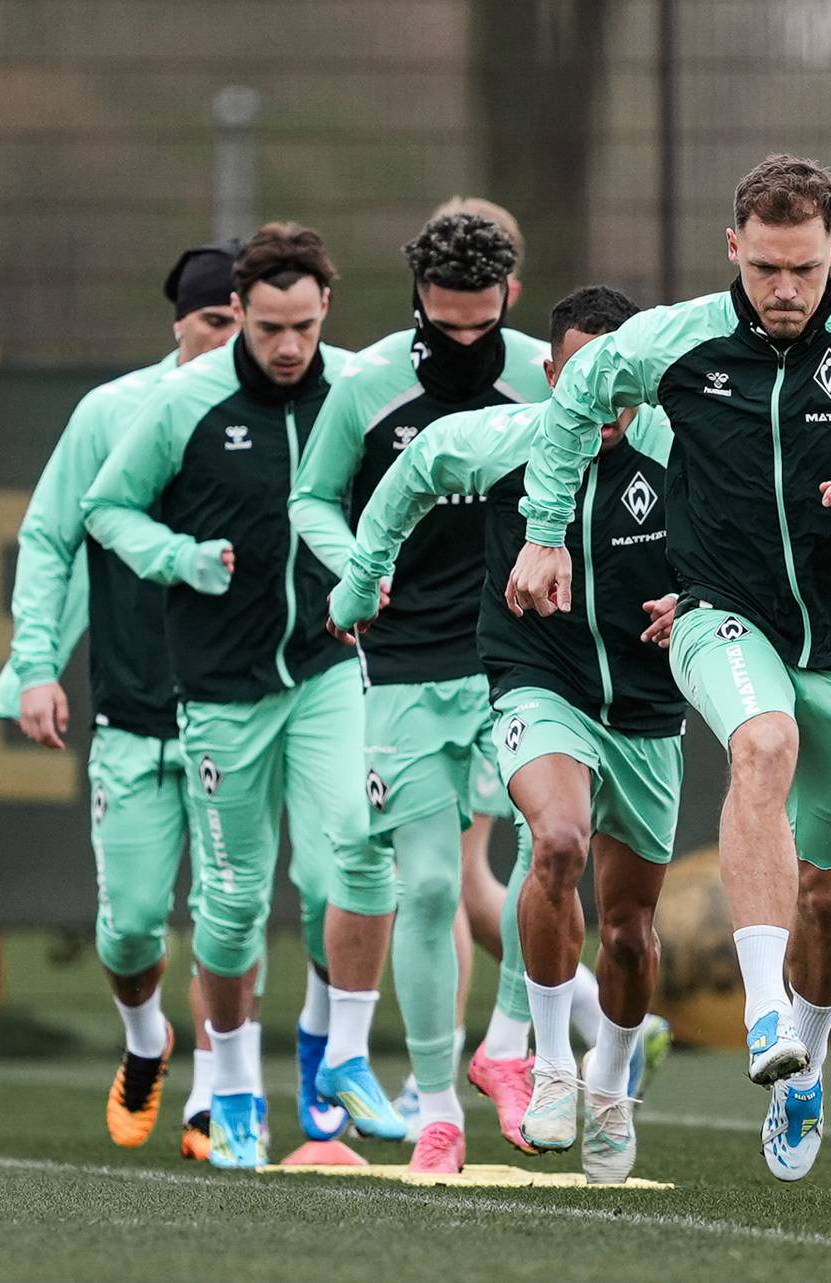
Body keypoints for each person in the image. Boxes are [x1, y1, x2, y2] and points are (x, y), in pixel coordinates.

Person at [508, 154, 831, 1181]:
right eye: (767, 267)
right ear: (734, 248)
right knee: (759, 742)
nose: (784, 290)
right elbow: (572, 400)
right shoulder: (677, 339)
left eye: (804, 270)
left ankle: (804, 1058)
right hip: (720, 612)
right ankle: (763, 1003)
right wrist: (544, 530)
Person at [332, 284, 685, 1183]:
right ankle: (547, 1064)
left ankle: (608, 1077)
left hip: (644, 705)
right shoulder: (503, 442)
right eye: (581, 378)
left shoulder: (682, 451)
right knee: (554, 842)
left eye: (620, 380)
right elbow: (409, 477)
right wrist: (362, 577)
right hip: (538, 682)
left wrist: (699, 599)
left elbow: (749, 540)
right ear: (551, 374)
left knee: (633, 929)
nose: (602, 400)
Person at [83, 222, 406, 1170]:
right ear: (244, 318)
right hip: (221, 688)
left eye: (303, 325)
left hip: (325, 668)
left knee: (361, 846)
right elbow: (107, 509)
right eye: (268, 326)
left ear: (326, 312)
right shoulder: (186, 401)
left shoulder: (357, 384)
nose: (287, 346)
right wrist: (179, 558)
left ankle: (340, 1051)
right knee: (227, 904)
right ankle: (229, 1089)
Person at [288, 211, 548, 1172]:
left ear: (508, 301)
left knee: (550, 851)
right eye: (445, 328)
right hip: (402, 661)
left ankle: (516, 1043)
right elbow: (310, 498)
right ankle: (436, 1102)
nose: (463, 346)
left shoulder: (542, 372)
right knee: (431, 886)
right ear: (415, 307)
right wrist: (356, 559)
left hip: (521, 654)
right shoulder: (364, 387)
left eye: (480, 327)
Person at [0, 242, 243, 1159]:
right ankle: (147, 1042)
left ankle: (216, 1093)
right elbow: (52, 535)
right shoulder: (113, 412)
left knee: (229, 913)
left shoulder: (278, 414)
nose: (226, 340)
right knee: (133, 924)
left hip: (236, 714)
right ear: (179, 321)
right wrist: (32, 665)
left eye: (239, 324)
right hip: (133, 713)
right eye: (212, 321)